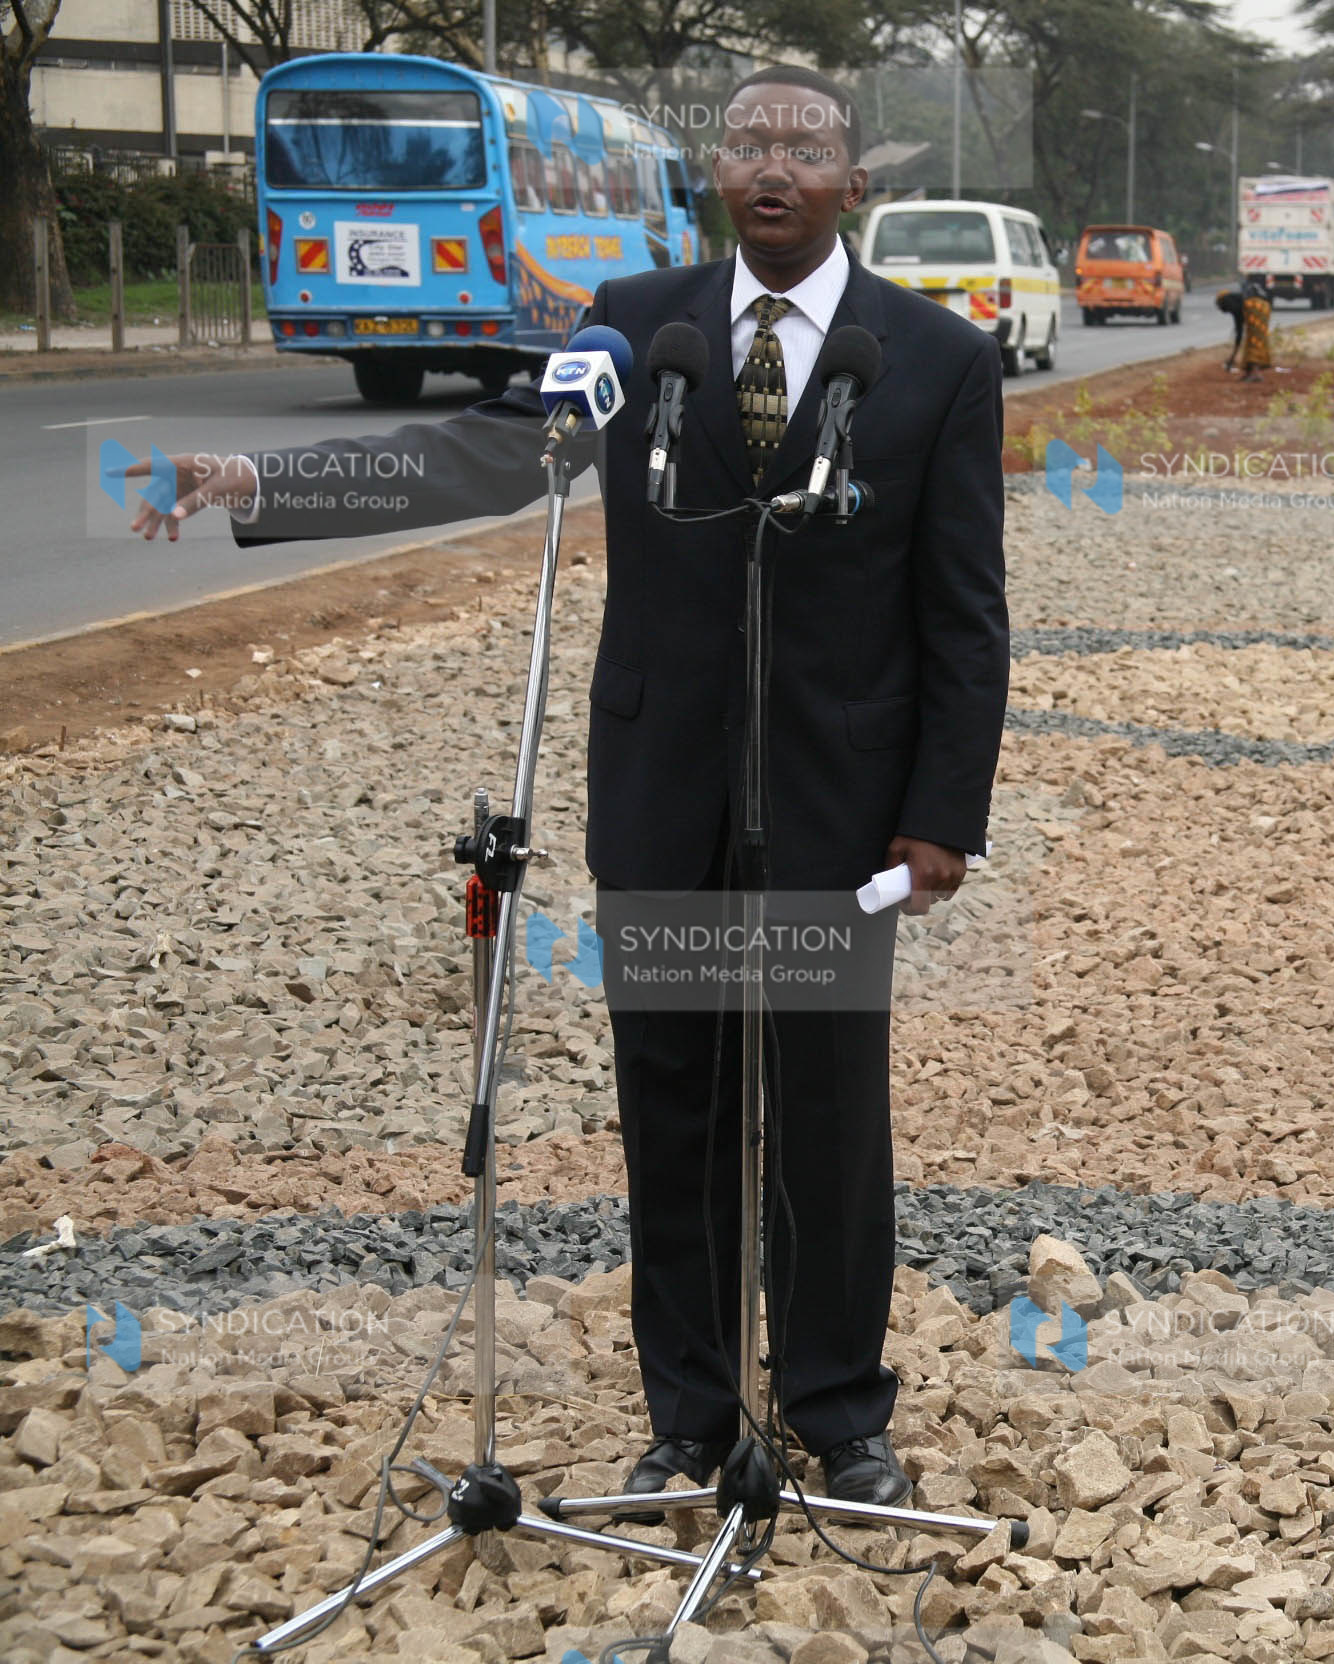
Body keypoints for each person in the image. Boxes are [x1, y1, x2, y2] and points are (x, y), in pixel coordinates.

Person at [123, 64, 1007, 1516]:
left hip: (840, 809)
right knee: (675, 1102)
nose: (771, 164)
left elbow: (964, 608)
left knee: (829, 1113)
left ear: (857, 179)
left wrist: (942, 812)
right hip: (662, 784)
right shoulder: (636, 327)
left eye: (805, 144)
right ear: (714, 172)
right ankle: (692, 1417)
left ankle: (841, 1414)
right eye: (744, 140)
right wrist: (260, 482)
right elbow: (485, 453)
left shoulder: (938, 359)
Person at [1238, 272, 1274, 381]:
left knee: (1254, 344)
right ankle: (1250, 372)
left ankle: (1255, 374)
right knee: (1255, 342)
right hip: (1263, 311)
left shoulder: (1249, 287)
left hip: (1255, 311)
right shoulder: (1258, 286)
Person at [1215, 284, 1245, 371]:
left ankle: (1254, 369)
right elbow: (1239, 327)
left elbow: (1239, 319)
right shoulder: (1235, 304)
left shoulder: (1227, 300)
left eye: (1220, 306)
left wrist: (1239, 327)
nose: (1221, 310)